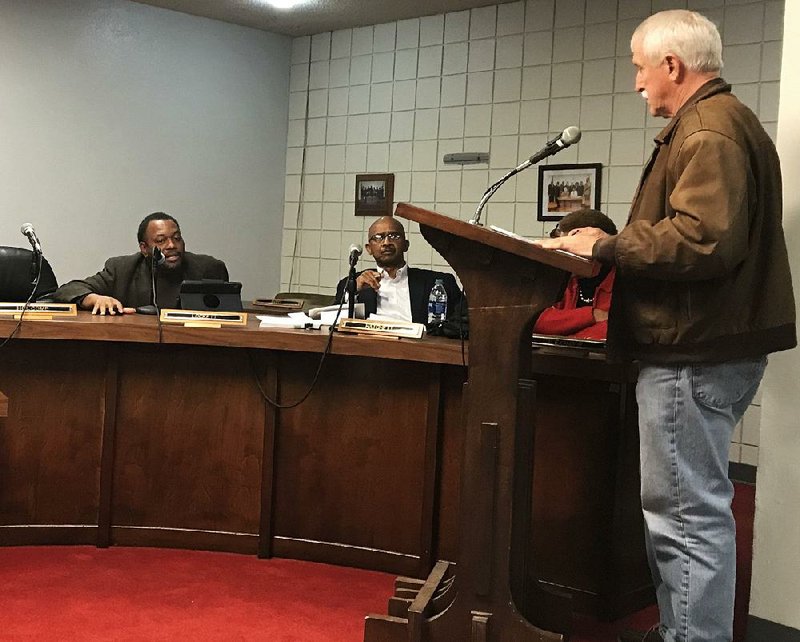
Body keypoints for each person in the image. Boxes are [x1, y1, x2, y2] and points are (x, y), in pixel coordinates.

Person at [535, 10, 795, 642]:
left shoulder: (707, 130)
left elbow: (704, 240)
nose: (636, 84)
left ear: (673, 65)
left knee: (684, 515)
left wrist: (605, 245)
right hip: (706, 347)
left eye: (639, 69)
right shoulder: (720, 123)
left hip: (690, 352)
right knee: (690, 509)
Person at [53, 212, 229, 315]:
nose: (172, 246)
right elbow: (67, 290)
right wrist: (94, 298)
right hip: (136, 353)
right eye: (161, 241)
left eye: (177, 238)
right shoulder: (122, 269)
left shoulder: (208, 268)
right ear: (144, 248)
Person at [334, 216, 463, 325]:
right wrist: (353, 291)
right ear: (369, 249)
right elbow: (332, 321)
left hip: (418, 350)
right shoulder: (352, 283)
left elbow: (463, 322)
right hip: (369, 348)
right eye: (378, 237)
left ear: (406, 245)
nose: (386, 242)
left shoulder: (439, 283)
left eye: (394, 236)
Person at [532, 209, 617, 341]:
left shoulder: (624, 281)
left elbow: (616, 331)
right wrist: (592, 315)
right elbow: (535, 320)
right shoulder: (564, 280)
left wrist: (564, 332)